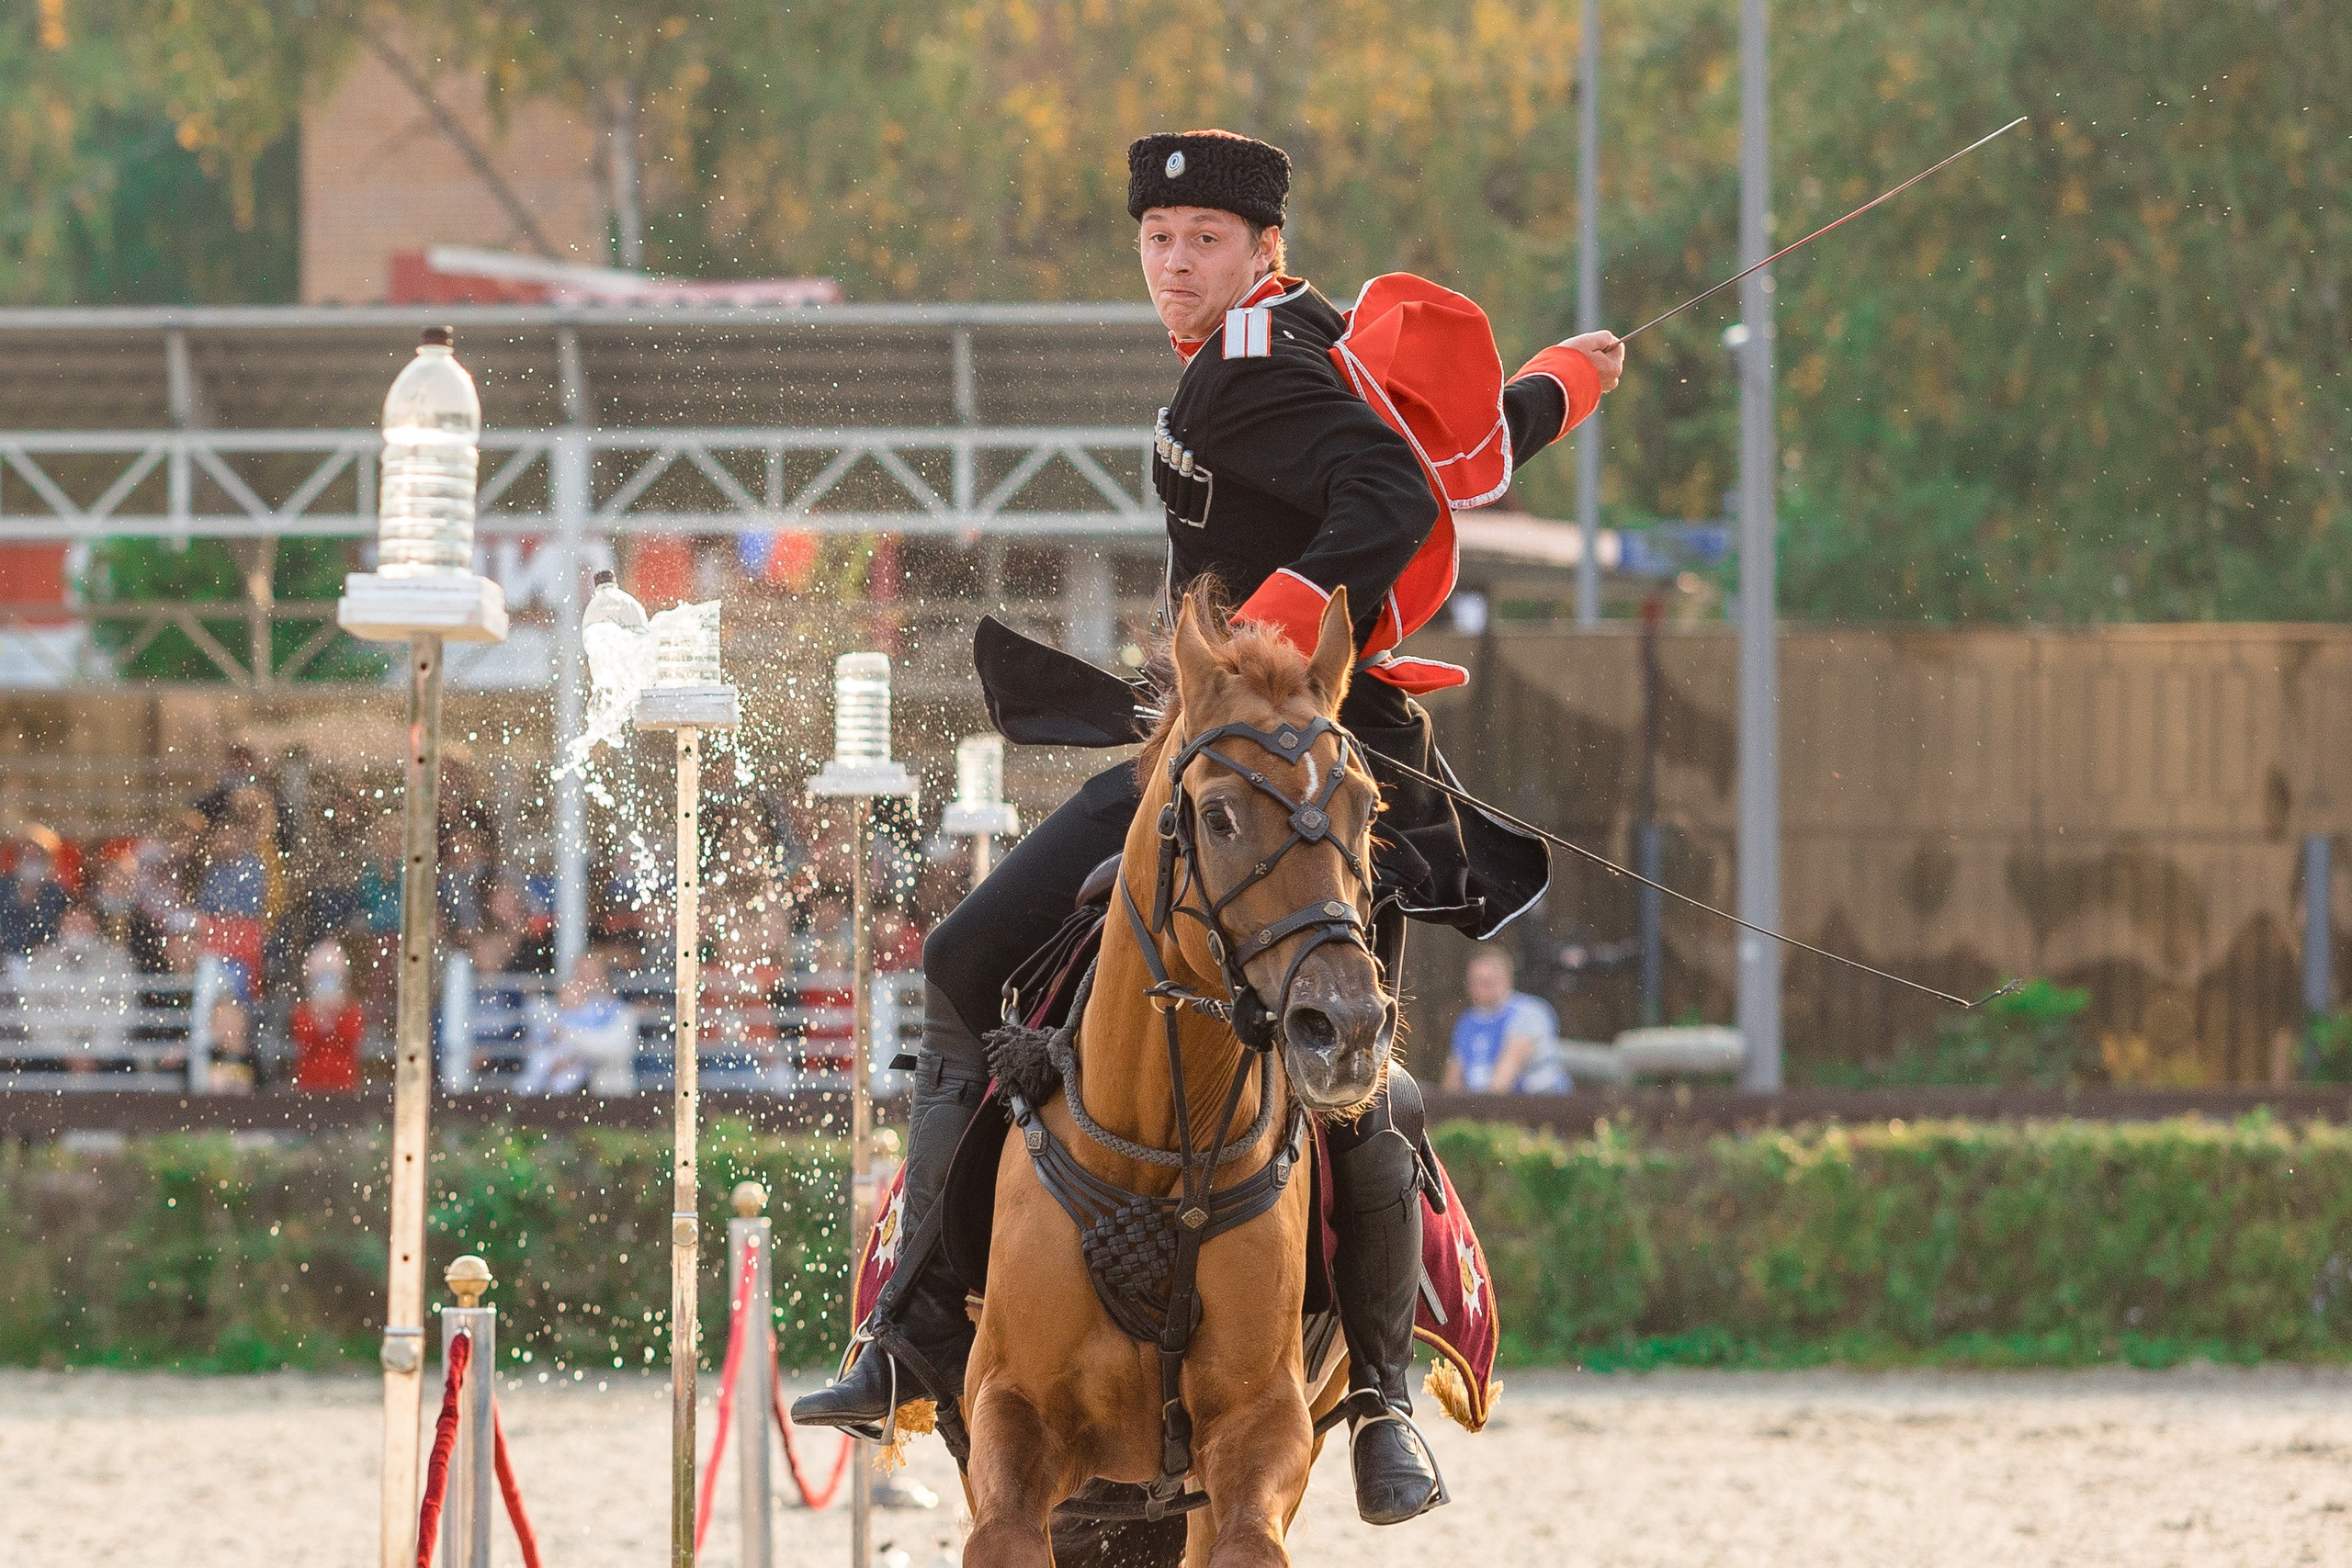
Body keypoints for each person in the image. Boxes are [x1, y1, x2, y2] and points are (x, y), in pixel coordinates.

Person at [791, 128, 1623, 1527]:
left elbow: (1392, 497)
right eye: (1158, 239)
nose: (1175, 263)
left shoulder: (1244, 364)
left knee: (1034, 978)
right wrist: (1559, 388)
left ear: (1263, 250)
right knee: (1323, 1061)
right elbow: (1428, 454)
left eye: (1205, 241)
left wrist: (1265, 648)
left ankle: (929, 1334)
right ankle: (1351, 1403)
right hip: (1236, 746)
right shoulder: (1303, 338)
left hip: (1287, 757)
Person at [514, 953, 637, 1096]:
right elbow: (540, 1044)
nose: (585, 980)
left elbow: (613, 1052)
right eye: (581, 974)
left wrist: (568, 1039)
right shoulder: (562, 1010)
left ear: (604, 976)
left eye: (591, 974)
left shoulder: (622, 1013)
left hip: (610, 1092)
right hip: (564, 1092)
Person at [1446, 950, 1562, 1094]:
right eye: (1475, 981)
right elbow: (1452, 1082)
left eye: (1487, 982)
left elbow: (1502, 1082)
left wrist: (1473, 1106)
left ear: (1507, 980)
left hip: (1538, 1103)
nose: (1480, 988)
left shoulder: (1529, 1013)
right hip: (1483, 1103)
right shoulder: (1466, 1021)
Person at [289, 940, 366, 1092]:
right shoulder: (303, 1011)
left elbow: (350, 1041)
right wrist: (317, 1015)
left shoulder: (352, 1010)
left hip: (345, 1086)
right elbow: (305, 1042)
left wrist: (337, 1014)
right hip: (309, 1085)